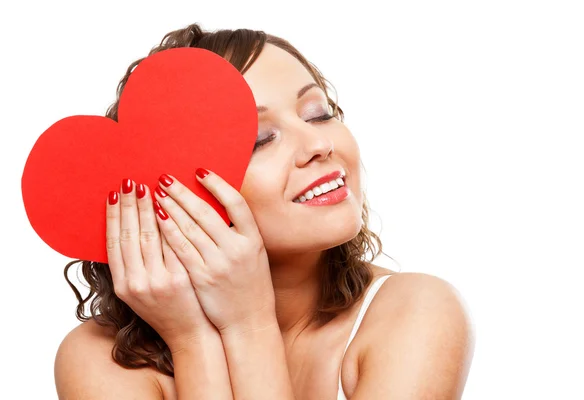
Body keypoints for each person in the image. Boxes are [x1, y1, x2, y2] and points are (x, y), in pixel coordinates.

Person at [54, 23, 475, 399]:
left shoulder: (416, 312)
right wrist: (194, 338)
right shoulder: (97, 359)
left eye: (319, 113)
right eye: (260, 139)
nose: (318, 145)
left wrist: (248, 325)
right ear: (176, 195)